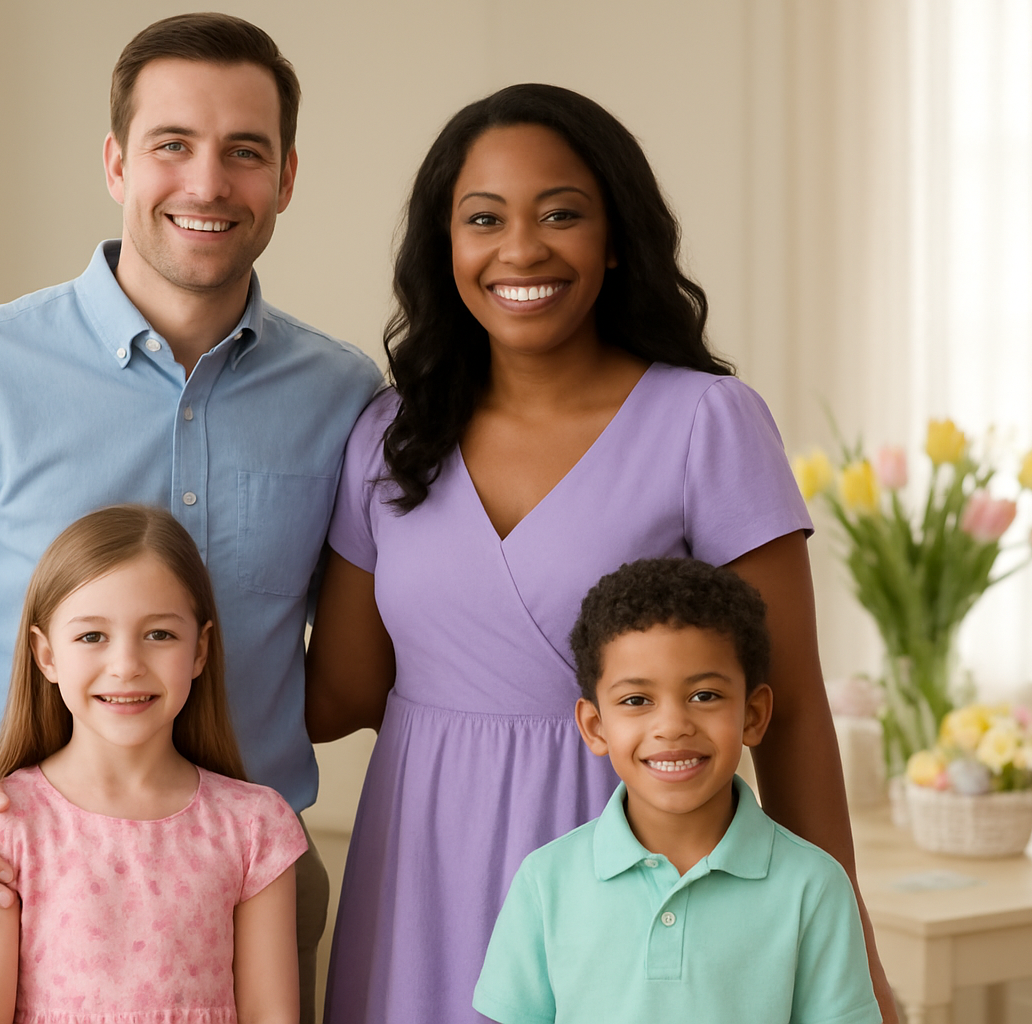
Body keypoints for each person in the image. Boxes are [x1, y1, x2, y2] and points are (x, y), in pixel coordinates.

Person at [0, 14, 381, 1022]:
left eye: (244, 152)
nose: (207, 182)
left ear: (287, 177)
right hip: (9, 894)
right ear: (117, 162)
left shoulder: (343, 399)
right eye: (173, 144)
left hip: (257, 886)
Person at [305, 83, 898, 1023]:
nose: (521, 249)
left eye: (561, 214)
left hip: (633, 875)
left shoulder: (707, 422)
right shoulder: (389, 434)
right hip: (420, 872)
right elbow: (337, 692)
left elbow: (787, 706)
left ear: (616, 238)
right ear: (444, 247)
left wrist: (849, 950)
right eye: (484, 218)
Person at [473, 558, 881, 1024]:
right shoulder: (545, 882)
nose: (672, 726)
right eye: (636, 700)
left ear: (752, 715)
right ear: (595, 726)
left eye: (704, 696)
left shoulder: (814, 886)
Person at [0, 505, 305, 1024]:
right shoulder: (2, 830)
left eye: (159, 634)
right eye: (92, 636)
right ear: (46, 655)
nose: (126, 666)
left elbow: (271, 1014)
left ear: (200, 649)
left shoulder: (255, 829)